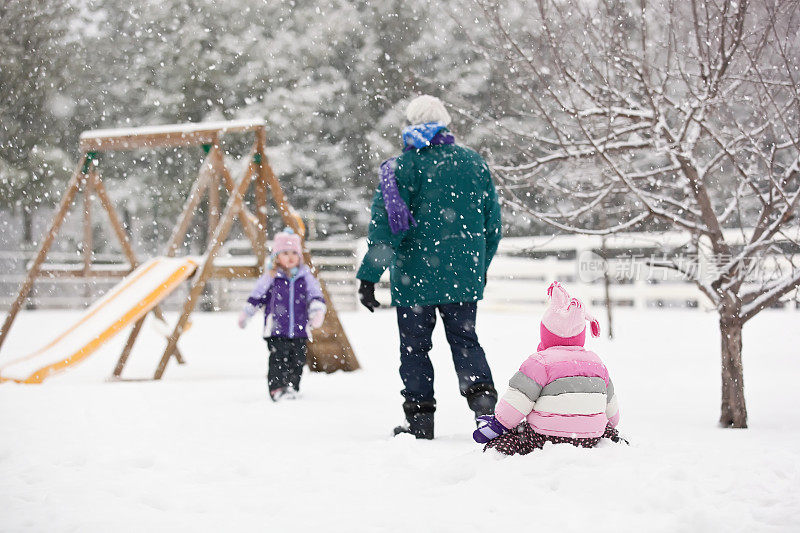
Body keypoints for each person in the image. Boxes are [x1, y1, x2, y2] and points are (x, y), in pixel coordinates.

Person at [356, 94, 503, 439]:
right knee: (466, 341)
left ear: (410, 125)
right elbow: (492, 224)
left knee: (414, 348)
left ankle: (419, 421)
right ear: (446, 124)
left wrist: (368, 277)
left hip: (414, 280)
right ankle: (485, 412)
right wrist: (478, 266)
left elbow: (385, 231)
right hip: (462, 279)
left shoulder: (400, 169)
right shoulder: (473, 162)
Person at [473, 281, 624, 455]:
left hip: (546, 438)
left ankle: (498, 451)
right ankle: (614, 442)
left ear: (546, 333)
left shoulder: (540, 362)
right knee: (606, 429)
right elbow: (613, 416)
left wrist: (498, 424)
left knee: (513, 437)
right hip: (591, 437)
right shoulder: (597, 363)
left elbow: (517, 401)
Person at [238, 228, 327, 401]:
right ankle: (277, 388)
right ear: (276, 257)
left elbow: (315, 294)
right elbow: (257, 296)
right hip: (276, 329)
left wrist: (317, 311)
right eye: (285, 253)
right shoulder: (271, 277)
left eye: (294, 252)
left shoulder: (305, 276)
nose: (290, 256)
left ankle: (292, 387)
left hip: (300, 328)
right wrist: (246, 313)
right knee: (278, 359)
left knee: (298, 360)